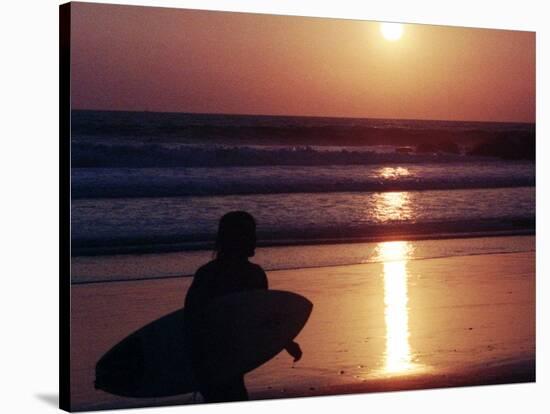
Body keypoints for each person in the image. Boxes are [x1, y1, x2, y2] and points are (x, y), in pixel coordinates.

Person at [184, 211, 302, 403]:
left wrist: (286, 342)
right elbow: (193, 319)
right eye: (249, 234)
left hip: (228, 360)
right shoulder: (215, 275)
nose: (255, 239)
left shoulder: (215, 273)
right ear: (235, 238)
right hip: (215, 360)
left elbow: (261, 316)